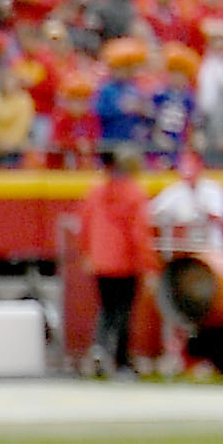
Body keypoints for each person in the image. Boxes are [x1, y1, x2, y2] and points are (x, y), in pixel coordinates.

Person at [82, 144, 152, 375]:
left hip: (100, 260)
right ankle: (122, 362)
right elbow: (139, 234)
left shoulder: (96, 193)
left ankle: (99, 349)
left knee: (106, 309)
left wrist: (87, 254)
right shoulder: (135, 194)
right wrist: (148, 264)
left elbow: (84, 225)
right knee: (124, 312)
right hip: (125, 261)